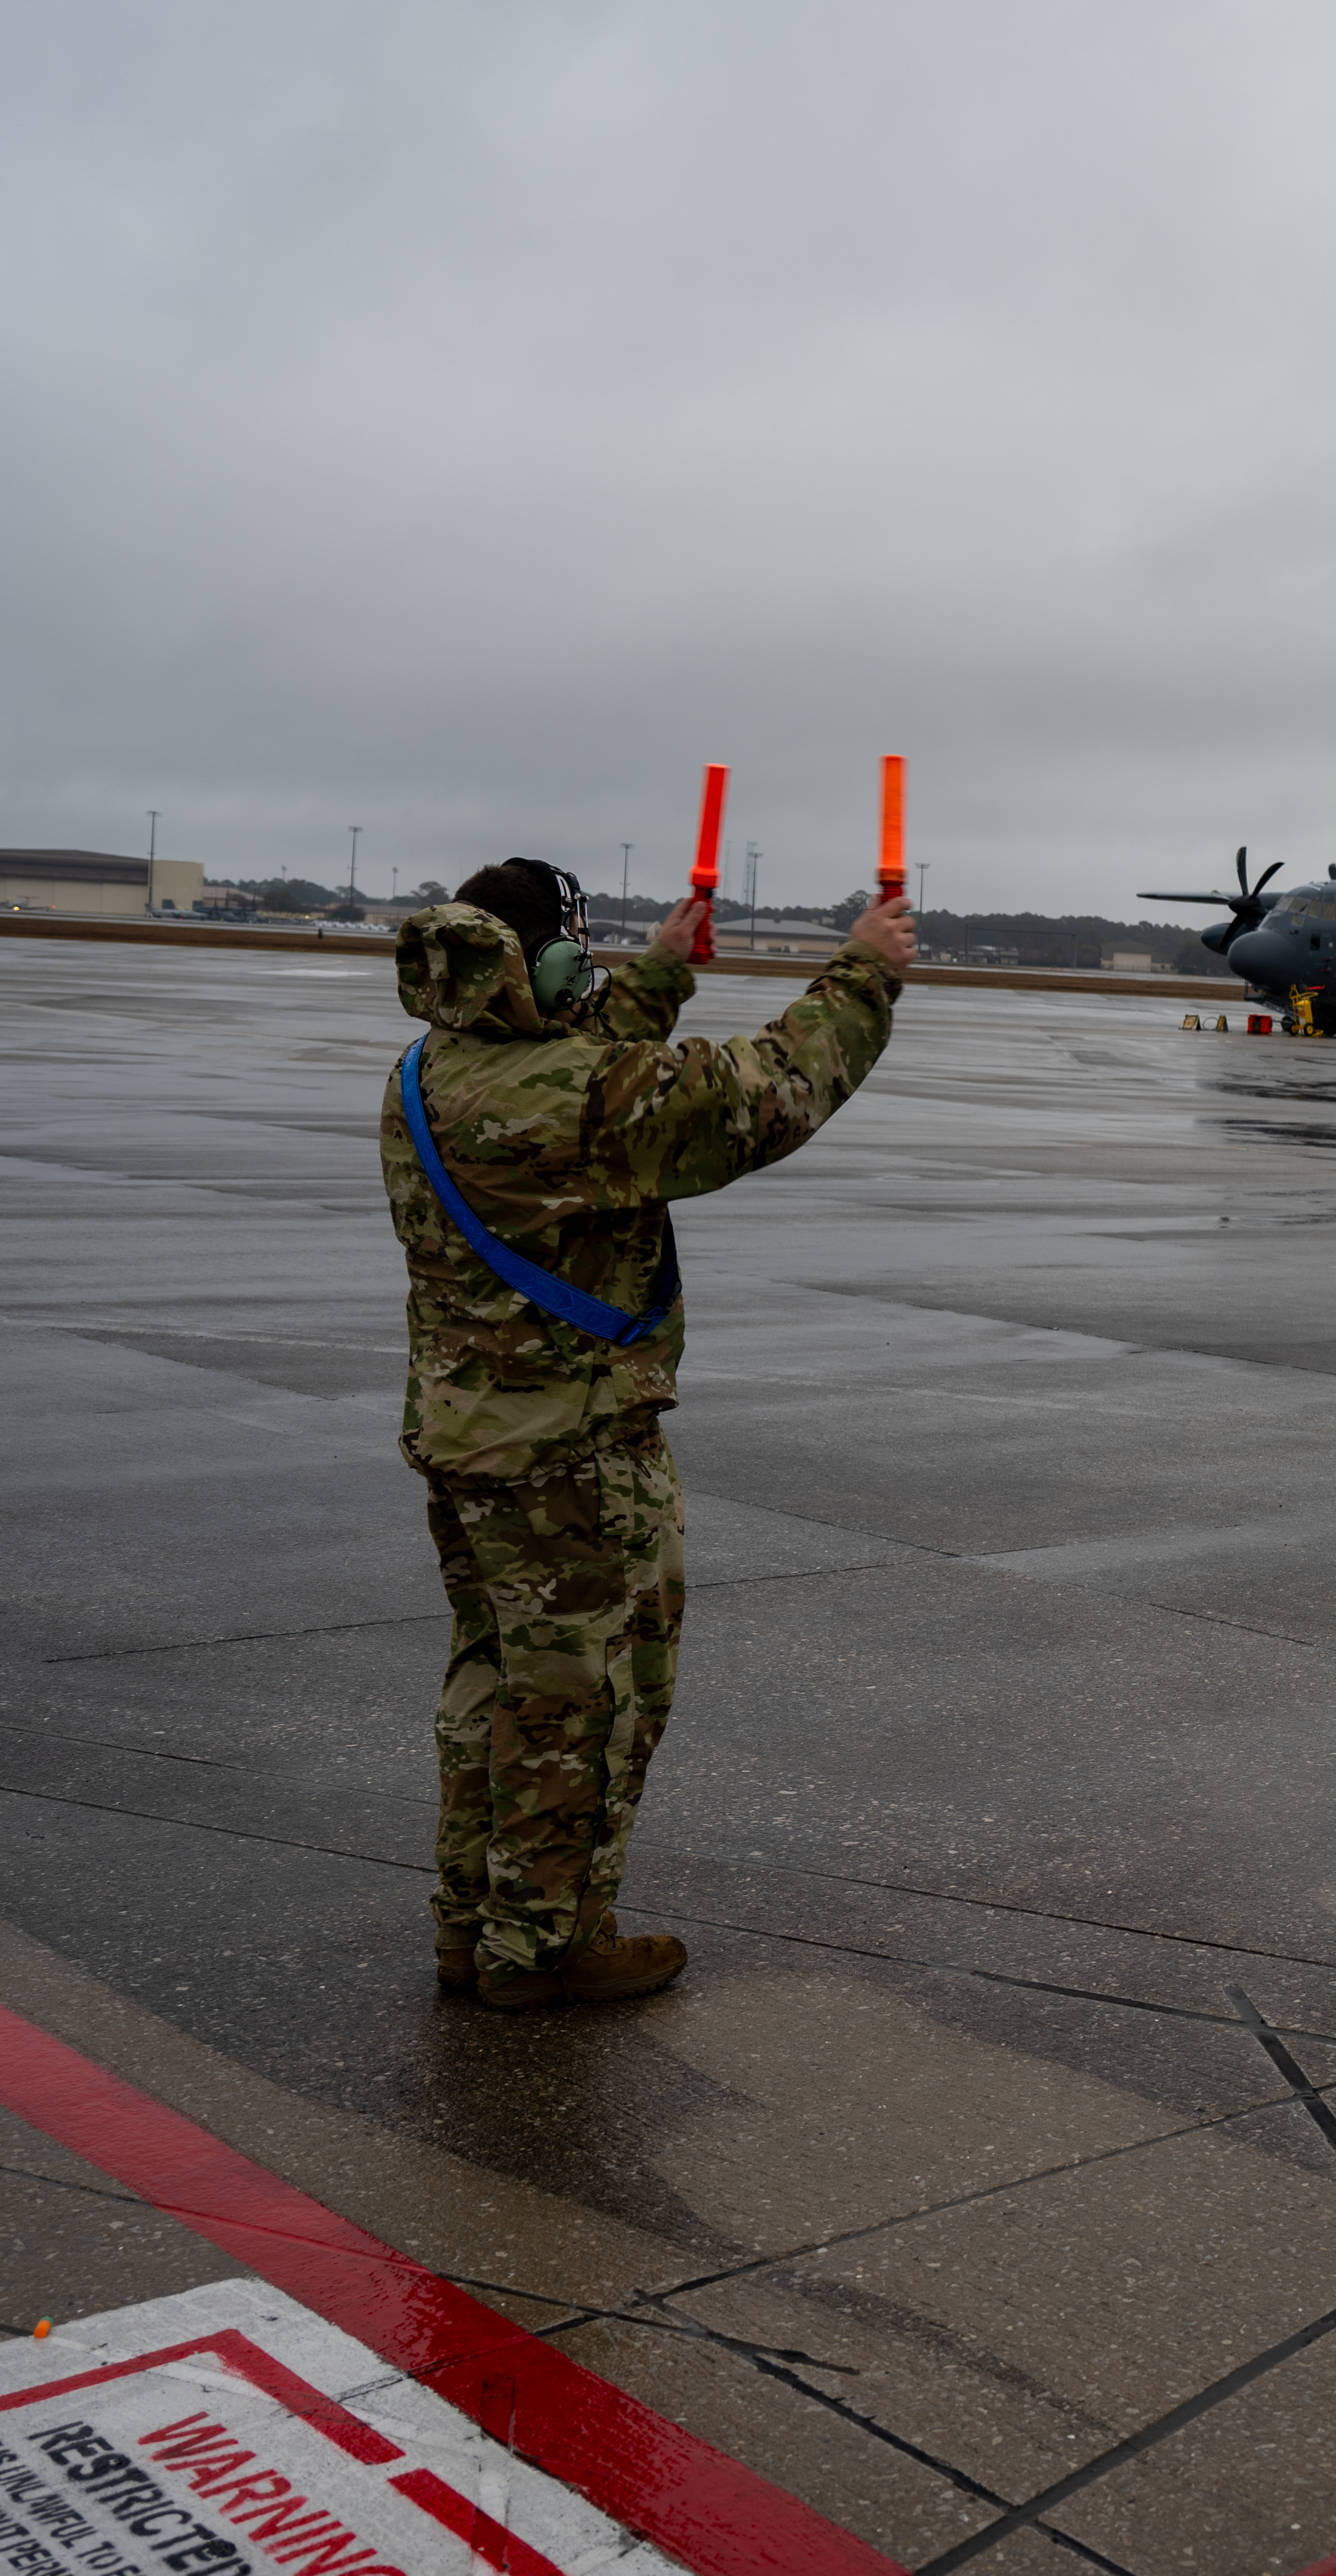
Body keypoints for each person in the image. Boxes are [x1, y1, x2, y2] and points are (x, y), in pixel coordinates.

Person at [383, 858, 911, 2009]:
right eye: (580, 951)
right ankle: (546, 1944)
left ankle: (473, 1923)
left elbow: (576, 1071)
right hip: (569, 1457)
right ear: (538, 966)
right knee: (586, 1704)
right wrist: (863, 973)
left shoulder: (432, 1069)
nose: (594, 971)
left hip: (470, 1440)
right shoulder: (567, 1099)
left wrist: (662, 976)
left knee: (497, 1685)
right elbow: (752, 1098)